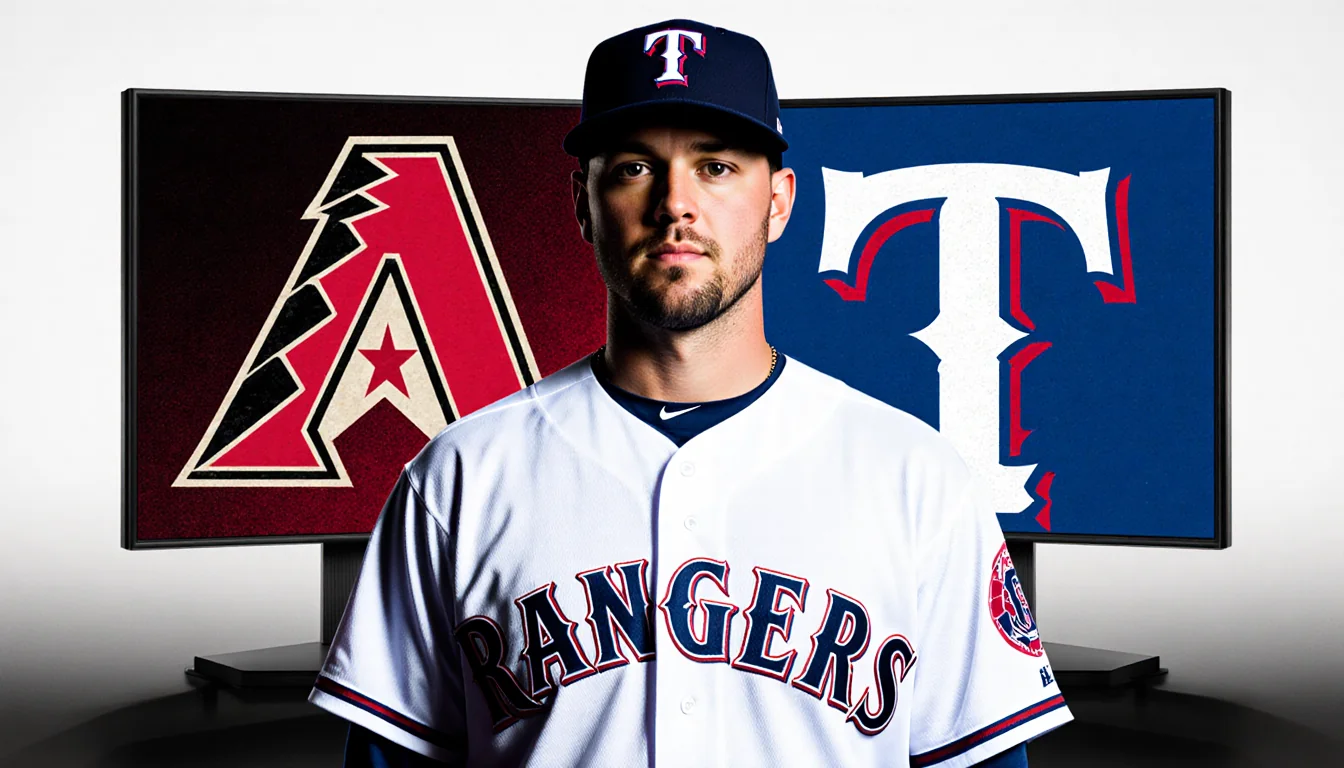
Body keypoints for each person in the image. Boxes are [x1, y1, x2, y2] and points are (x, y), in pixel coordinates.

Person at [309, 18, 1072, 767]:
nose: (676, 203)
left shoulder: (917, 479)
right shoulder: (459, 478)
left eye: (716, 166)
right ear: (583, 202)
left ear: (779, 200)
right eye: (636, 167)